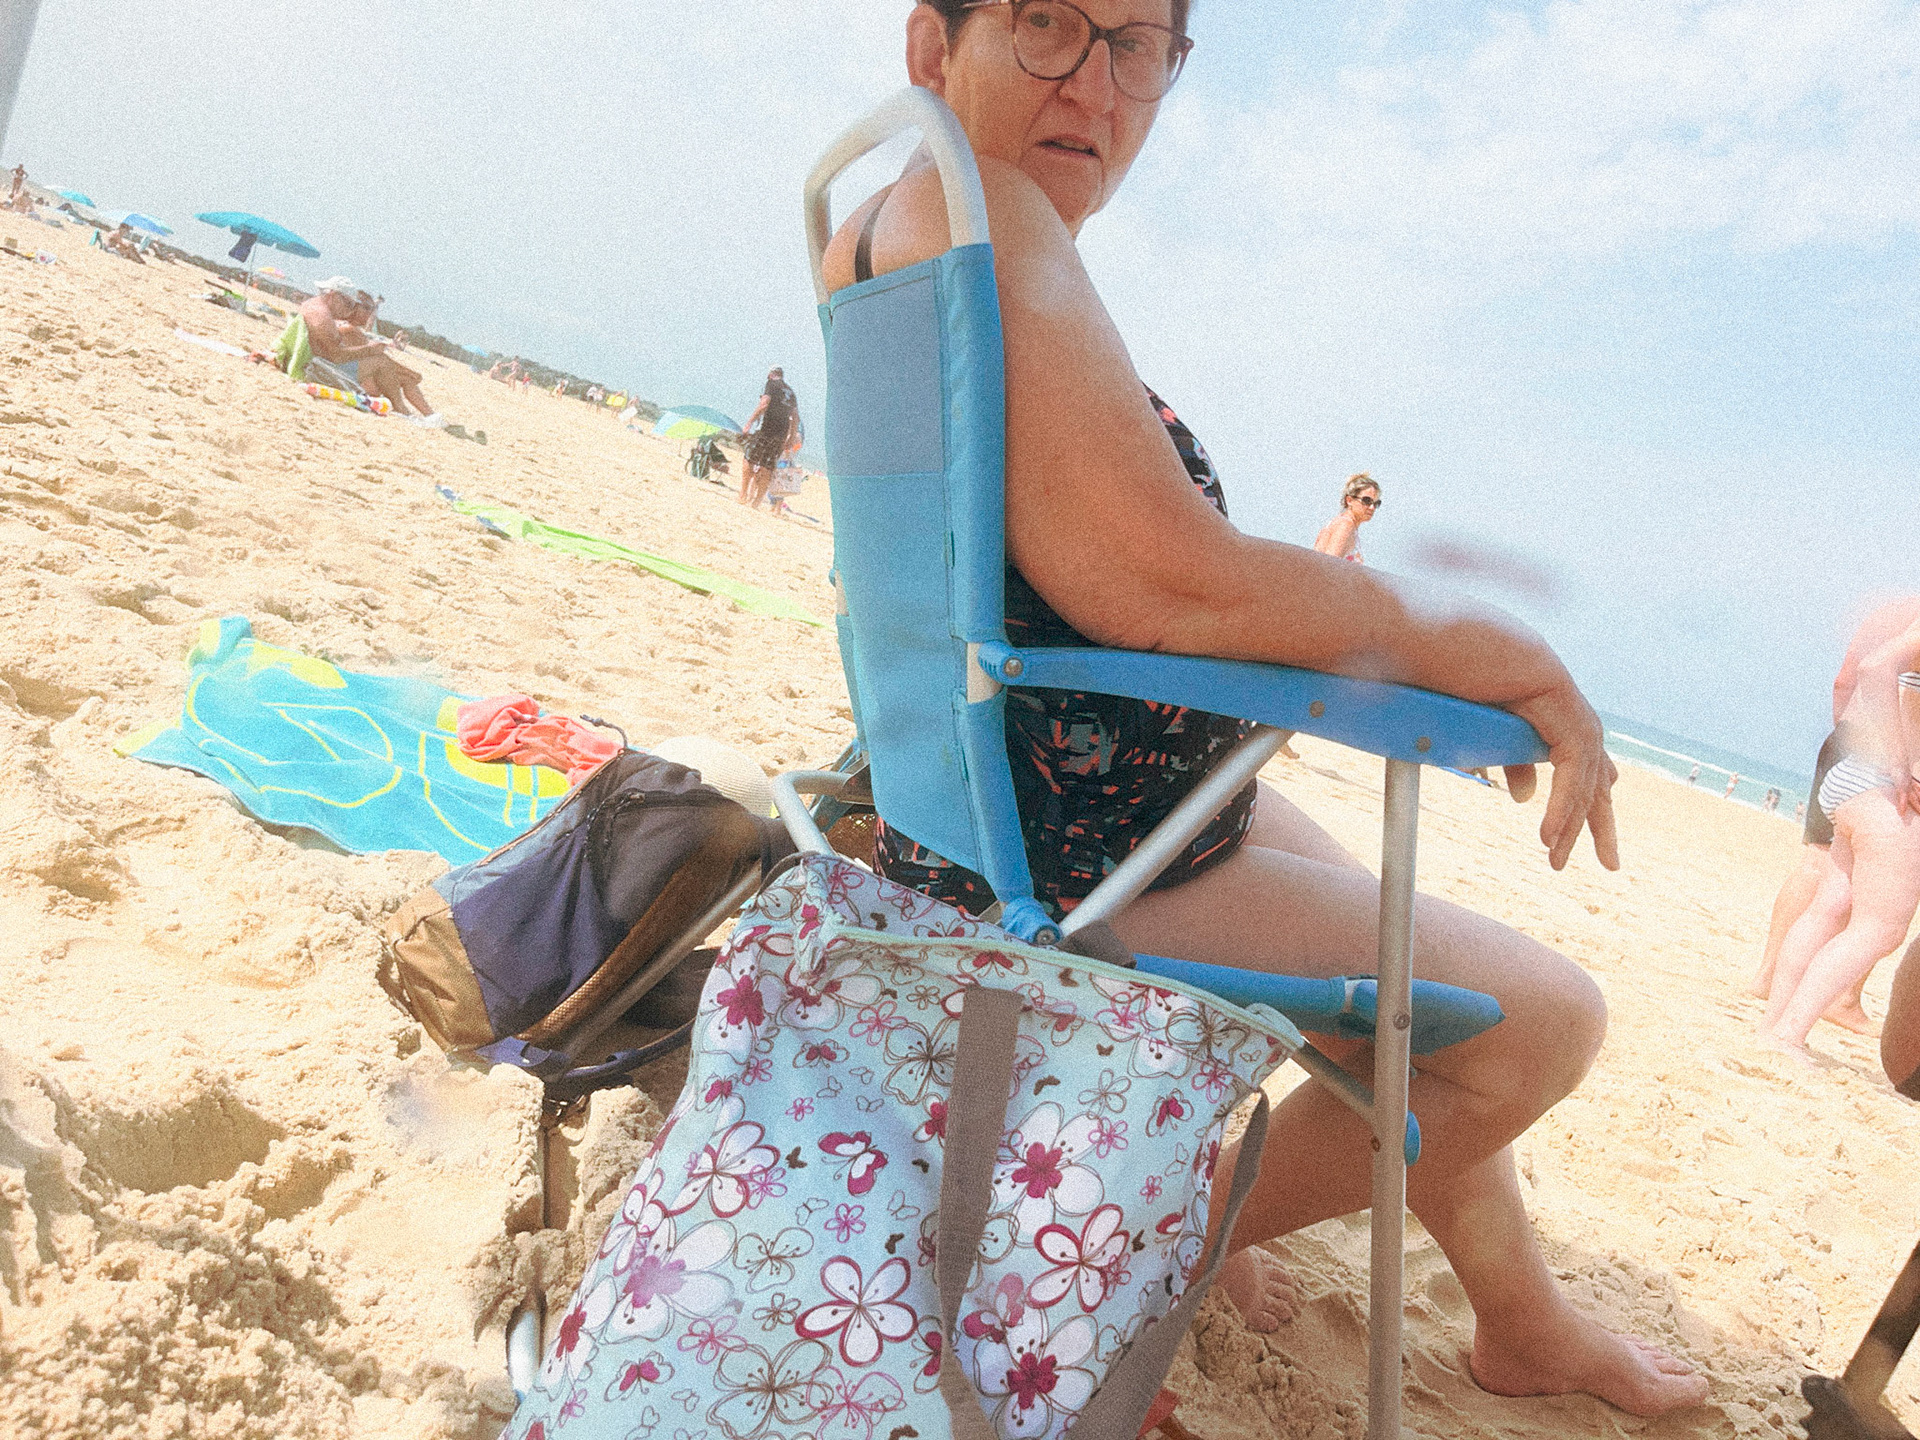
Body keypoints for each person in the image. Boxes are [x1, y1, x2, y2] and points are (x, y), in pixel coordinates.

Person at [825, 1, 1706, 1417]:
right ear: (936, 47)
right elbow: (1165, 583)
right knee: (1540, 1027)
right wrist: (1495, 648)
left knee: (1406, 970)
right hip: (1071, 851)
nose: (1095, 85)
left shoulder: (891, 222)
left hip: (1020, 790)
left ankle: (1522, 1317)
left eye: (1137, 46)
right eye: (1049, 25)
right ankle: (1141, 1260)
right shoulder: (986, 223)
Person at [1761, 598, 1920, 1054]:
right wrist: (1898, 761)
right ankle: (1787, 1033)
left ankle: (1774, 1028)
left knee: (1828, 910)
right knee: (1880, 929)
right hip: (1891, 793)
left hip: (1857, 777)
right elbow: (1876, 666)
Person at [301, 278, 446, 427]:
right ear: (334, 295)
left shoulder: (317, 308)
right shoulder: (323, 317)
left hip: (323, 363)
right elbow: (337, 356)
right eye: (349, 304)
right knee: (382, 363)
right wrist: (372, 349)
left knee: (386, 367)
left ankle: (418, 414)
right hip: (322, 369)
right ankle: (406, 412)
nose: (349, 309)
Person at [738, 367, 799, 507]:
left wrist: (749, 423)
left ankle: (743, 494)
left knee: (749, 459)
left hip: (765, 429)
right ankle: (757, 501)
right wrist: (790, 438)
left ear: (771, 374)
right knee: (767, 467)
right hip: (781, 434)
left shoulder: (771, 384)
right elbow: (795, 417)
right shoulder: (791, 392)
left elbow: (764, 404)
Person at [1313, 473, 1381, 562]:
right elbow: (1329, 564)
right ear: (1349, 500)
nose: (1372, 507)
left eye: (1376, 503)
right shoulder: (1345, 525)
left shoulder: (1342, 523)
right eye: (1366, 500)